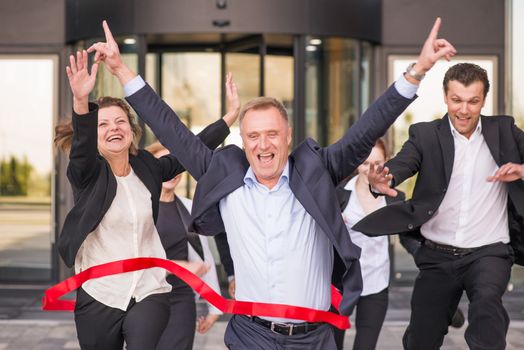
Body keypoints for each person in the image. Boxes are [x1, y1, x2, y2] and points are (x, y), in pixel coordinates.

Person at [88, 18, 455, 349]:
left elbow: (366, 131)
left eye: (272, 134)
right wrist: (120, 70)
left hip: (313, 337)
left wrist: (417, 70)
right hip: (252, 335)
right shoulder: (223, 173)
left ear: (288, 135)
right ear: (243, 140)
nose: (263, 145)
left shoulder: (317, 171)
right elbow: (172, 128)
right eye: (253, 136)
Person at [54, 51, 236, 350]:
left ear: (132, 129)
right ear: (94, 136)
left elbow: (190, 152)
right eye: (103, 124)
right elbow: (82, 150)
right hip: (101, 292)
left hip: (150, 289)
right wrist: (80, 102)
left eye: (121, 121)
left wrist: (228, 120)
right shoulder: (87, 174)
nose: (114, 127)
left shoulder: (148, 167)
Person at [354, 62, 524, 350]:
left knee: (486, 308)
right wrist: (384, 178)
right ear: (446, 97)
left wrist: (522, 169)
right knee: (421, 338)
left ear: (484, 100)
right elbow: (404, 163)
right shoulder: (425, 134)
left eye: (473, 101)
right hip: (437, 255)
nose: (464, 110)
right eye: (457, 100)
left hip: (489, 251)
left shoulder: (504, 129)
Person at [148, 140, 233, 350]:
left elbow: (204, 259)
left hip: (181, 301)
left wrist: (215, 308)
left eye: (176, 165)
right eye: (164, 163)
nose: (171, 171)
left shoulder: (189, 208)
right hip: (143, 299)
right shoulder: (138, 208)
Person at [332, 139, 405, 350]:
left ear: (387, 162)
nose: (369, 170)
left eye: (377, 164)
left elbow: (408, 238)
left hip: (376, 284)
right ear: (356, 163)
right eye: (365, 164)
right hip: (342, 284)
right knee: (332, 344)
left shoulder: (394, 198)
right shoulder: (339, 194)